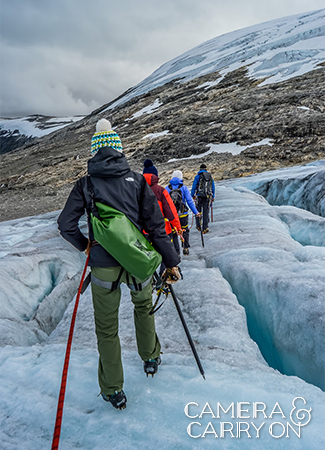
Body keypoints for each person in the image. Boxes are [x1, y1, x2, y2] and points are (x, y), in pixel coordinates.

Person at [57, 119, 180, 410]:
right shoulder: (137, 181)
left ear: (95, 151)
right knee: (143, 307)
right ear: (119, 149)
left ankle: (114, 390)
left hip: (102, 265)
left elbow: (65, 224)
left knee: (107, 329)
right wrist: (171, 262)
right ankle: (150, 358)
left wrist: (85, 244)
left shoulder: (85, 185)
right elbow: (155, 226)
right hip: (138, 261)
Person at [142, 159, 183, 274]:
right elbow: (171, 212)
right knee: (166, 254)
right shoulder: (161, 191)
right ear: (155, 176)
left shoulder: (137, 191)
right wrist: (178, 228)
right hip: (163, 230)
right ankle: (163, 278)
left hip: (143, 232)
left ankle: (149, 279)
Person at [166, 170, 200, 256]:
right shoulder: (183, 188)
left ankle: (174, 250)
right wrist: (196, 212)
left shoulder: (167, 188)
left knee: (173, 232)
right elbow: (189, 201)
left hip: (171, 215)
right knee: (184, 230)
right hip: (183, 214)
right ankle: (185, 248)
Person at [191, 164, 215, 234]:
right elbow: (212, 187)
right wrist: (213, 197)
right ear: (206, 169)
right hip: (207, 197)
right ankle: (205, 228)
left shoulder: (197, 177)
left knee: (198, 211)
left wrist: (192, 195)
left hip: (199, 196)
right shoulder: (209, 177)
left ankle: (198, 226)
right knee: (206, 212)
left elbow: (194, 187)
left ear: (200, 169)